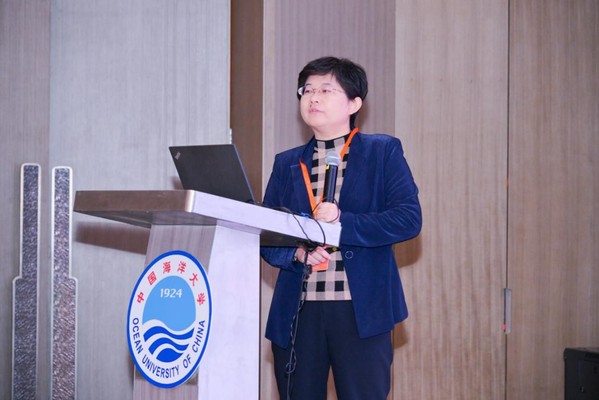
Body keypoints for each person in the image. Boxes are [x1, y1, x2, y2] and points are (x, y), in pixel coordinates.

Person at [260, 56, 422, 400]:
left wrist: (342, 222)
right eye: (307, 90)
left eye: (326, 90)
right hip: (298, 311)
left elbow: (408, 219)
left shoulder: (382, 152)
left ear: (354, 103)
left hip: (360, 311)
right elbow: (266, 235)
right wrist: (297, 253)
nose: (313, 97)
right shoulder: (286, 163)